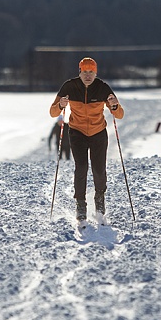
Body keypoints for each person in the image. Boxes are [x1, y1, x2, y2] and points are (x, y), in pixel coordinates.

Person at [49, 57, 124, 223]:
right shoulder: (69, 86)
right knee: (81, 167)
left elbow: (119, 114)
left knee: (98, 169)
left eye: (91, 72)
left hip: (98, 132)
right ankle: (81, 203)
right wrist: (61, 104)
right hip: (77, 132)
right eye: (85, 72)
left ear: (95, 73)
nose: (88, 75)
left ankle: (99, 199)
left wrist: (114, 105)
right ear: (80, 72)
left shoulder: (102, 88)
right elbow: (53, 113)